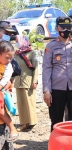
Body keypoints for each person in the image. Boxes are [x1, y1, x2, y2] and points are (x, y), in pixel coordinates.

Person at [42, 16, 72, 131]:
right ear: (57, 28)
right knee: (56, 121)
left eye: (69, 27)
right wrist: (47, 91)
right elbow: (46, 68)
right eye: (63, 27)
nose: (66, 30)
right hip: (57, 89)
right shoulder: (50, 46)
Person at [14, 35, 38, 132]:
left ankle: (32, 122)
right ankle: (24, 123)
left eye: (17, 41)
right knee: (21, 103)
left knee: (30, 102)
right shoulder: (16, 54)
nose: (16, 43)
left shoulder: (31, 53)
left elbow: (36, 68)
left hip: (28, 81)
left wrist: (35, 81)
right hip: (18, 81)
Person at [0, 20, 17, 150]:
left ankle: (12, 128)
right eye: (5, 32)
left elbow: (14, 71)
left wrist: (5, 83)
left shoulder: (8, 62)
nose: (6, 35)